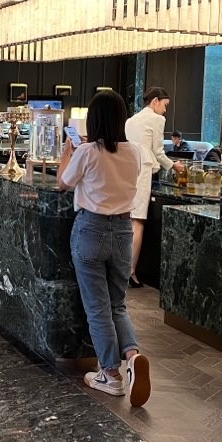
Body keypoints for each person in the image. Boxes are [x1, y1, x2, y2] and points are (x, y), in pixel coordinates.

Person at [57, 90, 150, 407]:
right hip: (123, 231)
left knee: (98, 308)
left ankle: (110, 375)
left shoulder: (87, 152)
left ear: (93, 120)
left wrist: (68, 151)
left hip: (91, 229)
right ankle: (133, 356)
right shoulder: (135, 152)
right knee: (117, 305)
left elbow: (63, 182)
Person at [124, 88, 184, 288]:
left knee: (125, 219)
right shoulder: (157, 119)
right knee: (138, 221)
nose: (165, 110)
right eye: (165, 105)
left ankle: (119, 268)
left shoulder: (131, 120)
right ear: (155, 101)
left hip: (127, 169)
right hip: (142, 171)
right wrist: (173, 165)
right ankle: (131, 272)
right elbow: (157, 151)